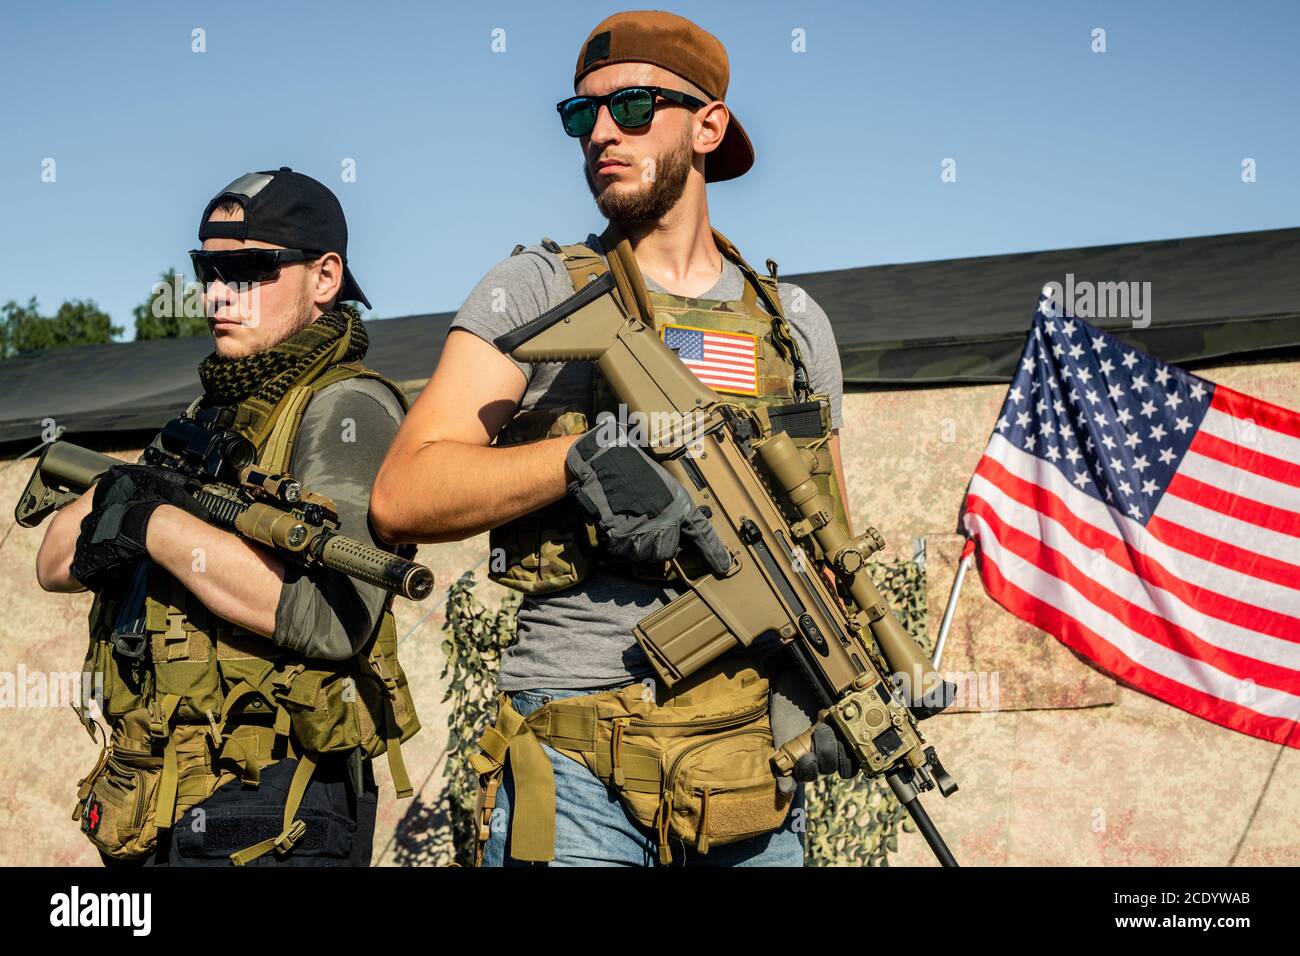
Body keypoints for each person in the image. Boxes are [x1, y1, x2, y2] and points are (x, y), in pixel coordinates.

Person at [372, 10, 855, 867]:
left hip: (752, 765)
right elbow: (404, 492)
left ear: (708, 126)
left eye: (633, 108)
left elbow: (827, 540)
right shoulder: (539, 290)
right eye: (580, 113)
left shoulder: (793, 324)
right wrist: (575, 457)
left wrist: (851, 690)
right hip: (578, 757)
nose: (600, 132)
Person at [35, 167, 418, 866]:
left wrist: (157, 528)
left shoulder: (344, 409)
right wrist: (136, 503)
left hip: (273, 794)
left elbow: (331, 619)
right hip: (154, 784)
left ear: (324, 277)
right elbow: (54, 561)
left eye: (248, 269)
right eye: (208, 268)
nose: (217, 291)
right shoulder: (199, 419)